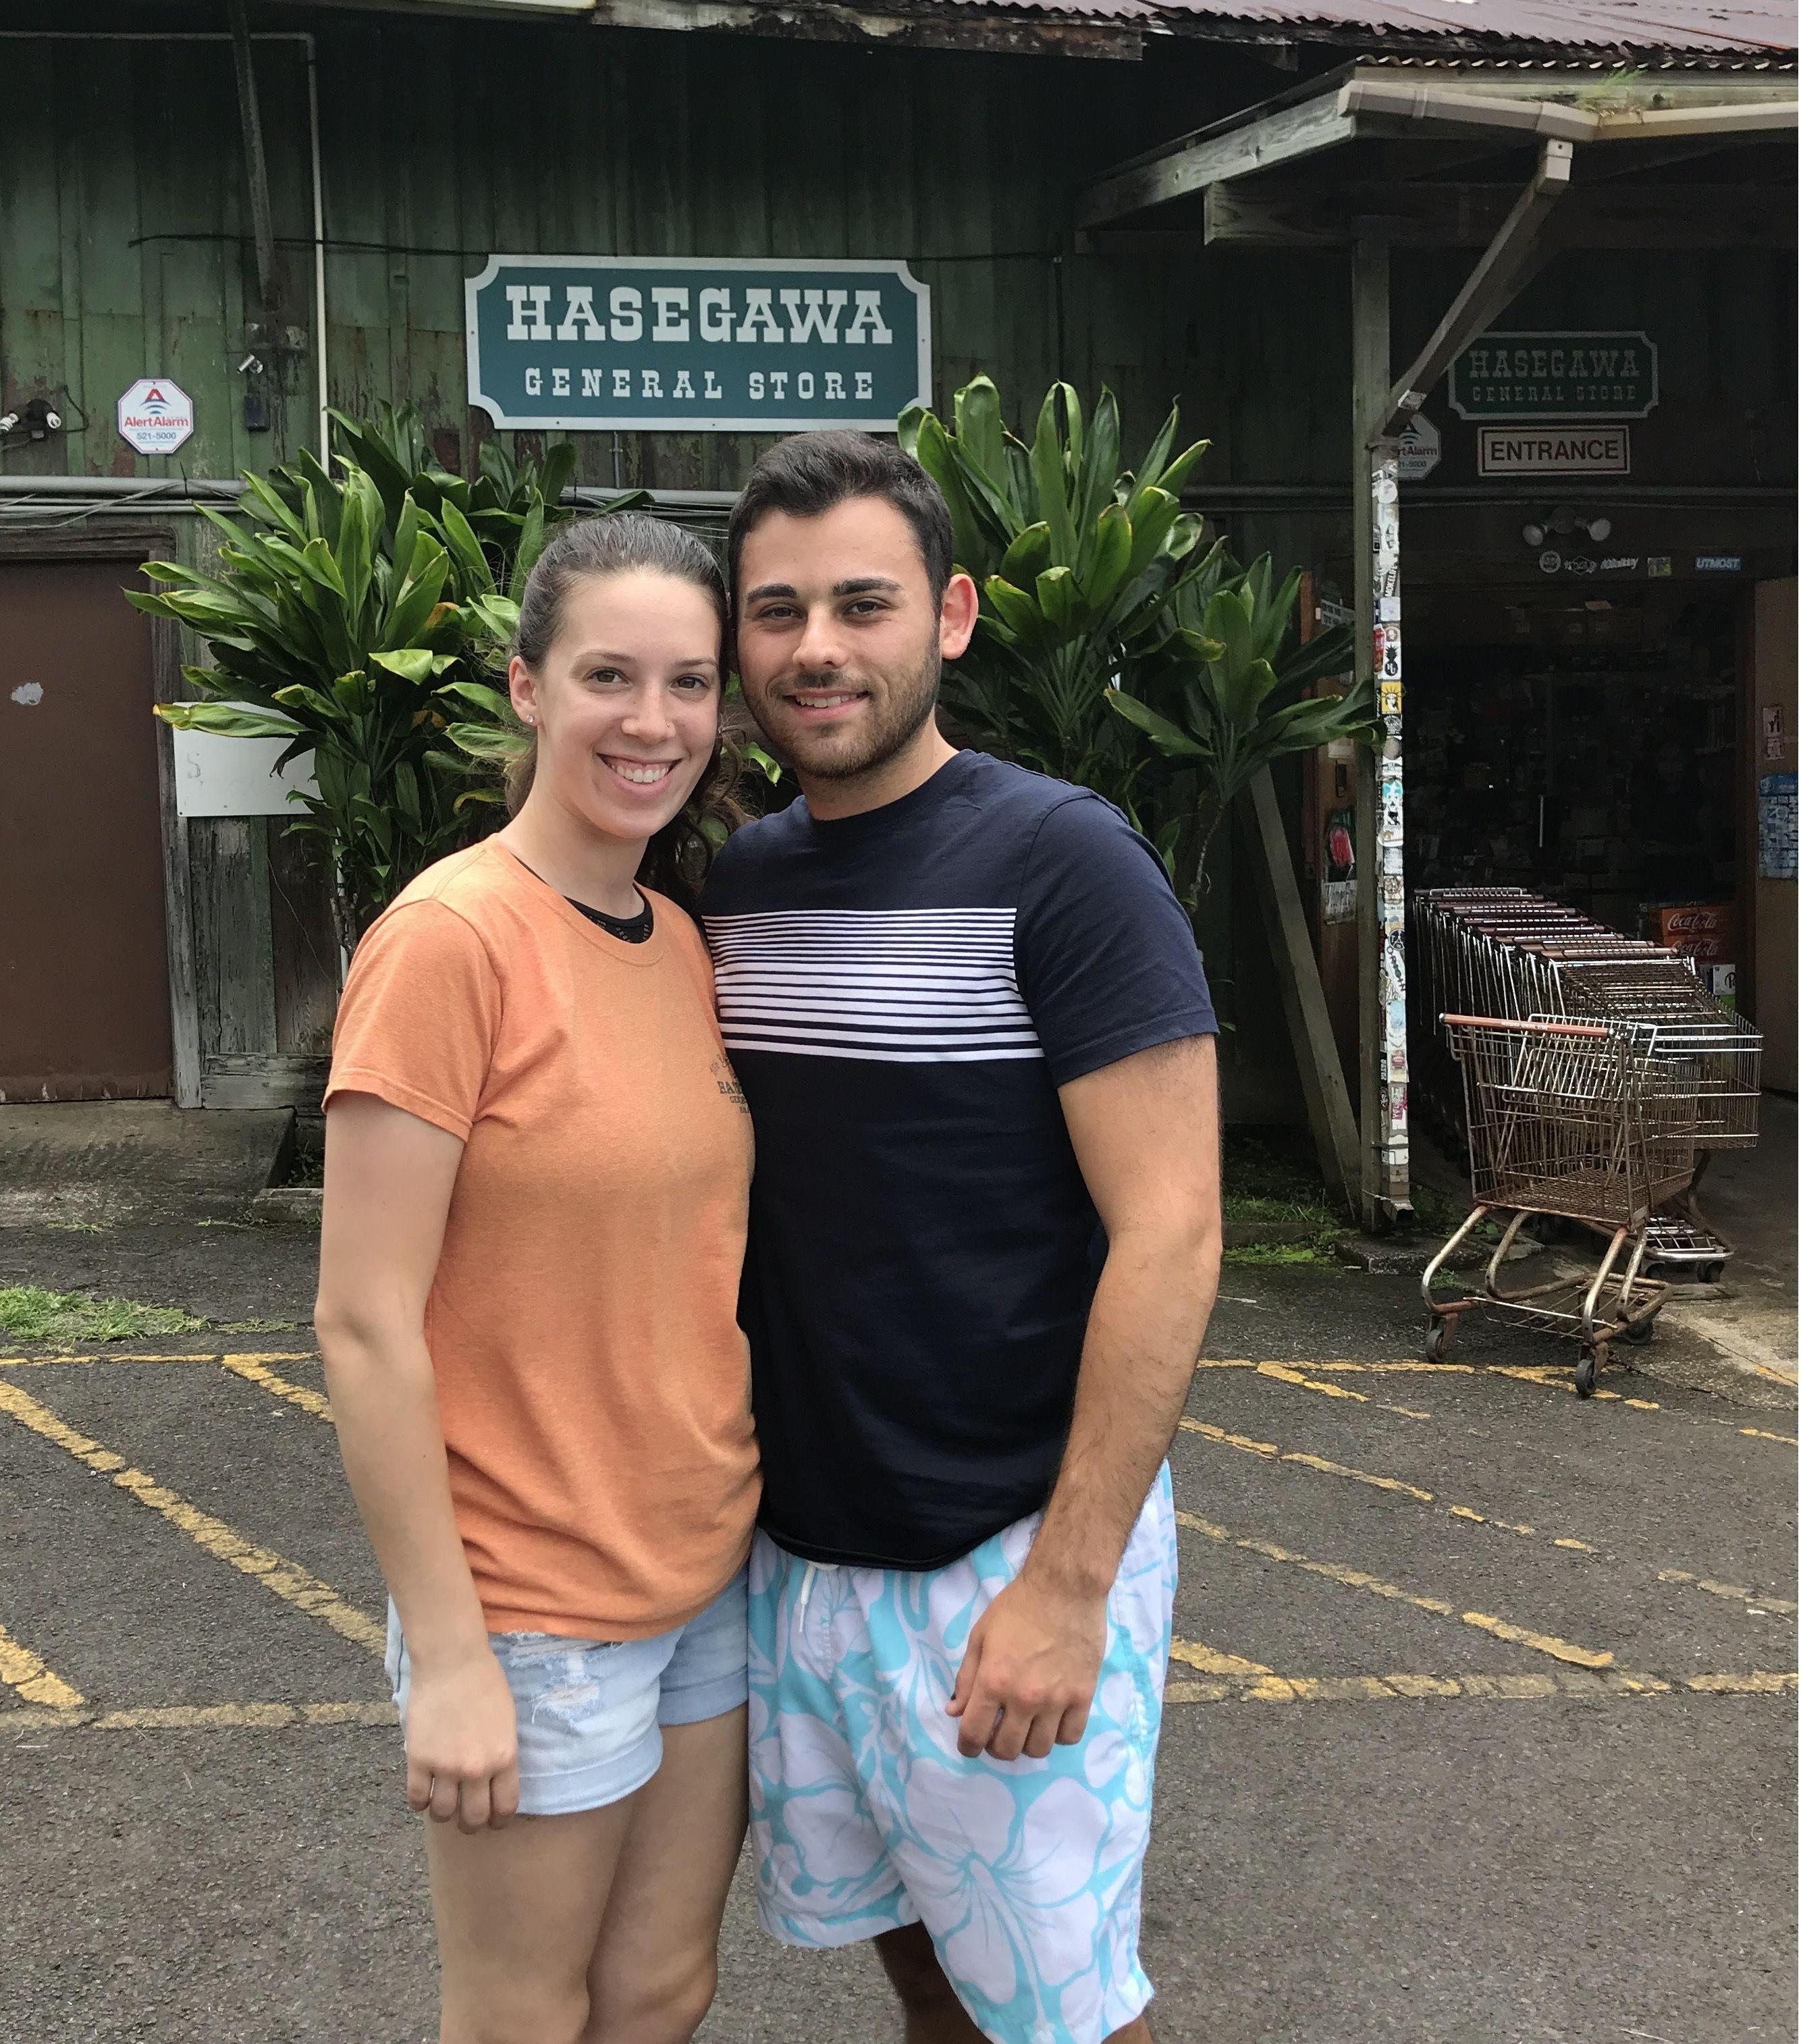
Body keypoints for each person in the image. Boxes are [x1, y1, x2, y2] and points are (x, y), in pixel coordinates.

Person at [701, 434, 1223, 2044]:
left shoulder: (1061, 861)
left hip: (1004, 1542)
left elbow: (1172, 1230)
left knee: (1059, 2009)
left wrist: (1066, 1585)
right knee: (928, 1971)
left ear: (952, 616)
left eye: (861, 602)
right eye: (776, 609)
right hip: (804, 1558)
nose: (815, 648)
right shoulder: (743, 879)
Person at [315, 514, 759, 2044]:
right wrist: (444, 1652)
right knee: (521, 2012)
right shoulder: (449, 939)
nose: (652, 722)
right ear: (525, 687)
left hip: (703, 1571)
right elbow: (361, 1319)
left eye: (689, 683)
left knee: (658, 1989)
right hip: (528, 1602)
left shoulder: (685, 941)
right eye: (607, 675)